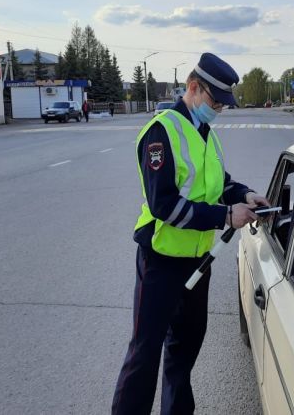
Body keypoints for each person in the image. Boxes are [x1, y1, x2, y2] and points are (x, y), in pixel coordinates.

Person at [112, 52, 269, 415]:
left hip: (198, 263)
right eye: (215, 101)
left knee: (184, 352)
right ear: (193, 88)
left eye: (223, 105)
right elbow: (163, 204)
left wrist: (244, 194)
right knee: (144, 354)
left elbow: (219, 183)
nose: (219, 109)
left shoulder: (207, 135)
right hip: (161, 262)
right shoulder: (161, 131)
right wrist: (225, 216)